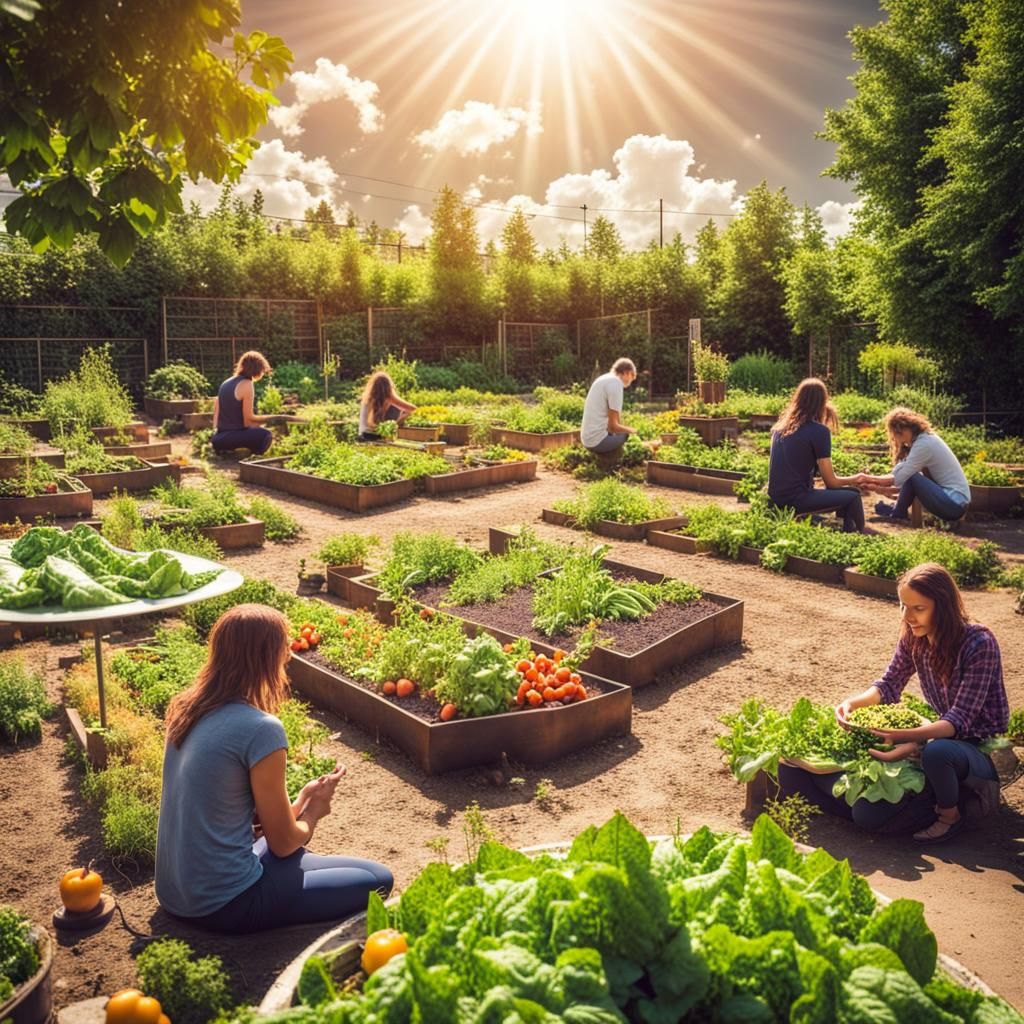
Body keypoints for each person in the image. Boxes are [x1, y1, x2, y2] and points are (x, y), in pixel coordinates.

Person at [155, 604, 393, 932]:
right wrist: (314, 812)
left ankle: (291, 874)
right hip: (226, 903)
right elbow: (281, 843)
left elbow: (229, 818)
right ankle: (285, 882)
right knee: (378, 880)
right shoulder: (260, 728)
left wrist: (300, 800)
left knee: (296, 855)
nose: (289, 657)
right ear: (265, 658)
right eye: (284, 648)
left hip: (175, 893)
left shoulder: (186, 709)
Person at [779, 563, 1007, 842]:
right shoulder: (915, 636)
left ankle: (951, 814)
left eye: (918, 608)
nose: (908, 616)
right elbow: (889, 684)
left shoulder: (979, 643)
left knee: (937, 754)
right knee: (793, 777)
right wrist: (851, 704)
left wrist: (905, 739)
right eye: (903, 606)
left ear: (943, 606)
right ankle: (879, 811)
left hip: (974, 750)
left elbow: (960, 719)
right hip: (936, 736)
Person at [767, 377, 867, 532]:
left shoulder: (779, 428)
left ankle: (843, 529)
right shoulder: (819, 431)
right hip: (796, 500)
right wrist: (857, 478)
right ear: (822, 402)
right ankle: (858, 534)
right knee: (853, 495)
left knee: (845, 494)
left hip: (775, 498)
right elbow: (831, 483)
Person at [861, 408, 970, 523]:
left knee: (913, 476)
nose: (896, 439)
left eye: (894, 435)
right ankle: (897, 511)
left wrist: (868, 479)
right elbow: (900, 473)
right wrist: (876, 485)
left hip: (954, 505)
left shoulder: (924, 444)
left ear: (901, 430)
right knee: (913, 476)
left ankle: (897, 513)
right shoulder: (924, 440)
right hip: (951, 501)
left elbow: (901, 476)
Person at [211, 350, 274, 455]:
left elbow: (216, 419)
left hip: (218, 439)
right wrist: (267, 420)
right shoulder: (247, 384)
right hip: (232, 438)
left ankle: (226, 451)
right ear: (257, 369)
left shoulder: (226, 382)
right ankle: (252, 455)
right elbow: (247, 422)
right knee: (265, 435)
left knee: (255, 430)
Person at [580, 357, 637, 454]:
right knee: (629, 435)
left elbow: (614, 424)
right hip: (597, 442)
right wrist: (633, 431)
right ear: (626, 372)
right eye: (632, 377)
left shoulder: (605, 378)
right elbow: (613, 427)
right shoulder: (616, 384)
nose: (630, 382)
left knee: (623, 432)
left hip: (586, 439)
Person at [358, 371, 415, 441]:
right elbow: (370, 424)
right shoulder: (370, 399)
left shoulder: (368, 397)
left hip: (363, 436)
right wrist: (392, 425)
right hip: (368, 436)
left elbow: (412, 409)